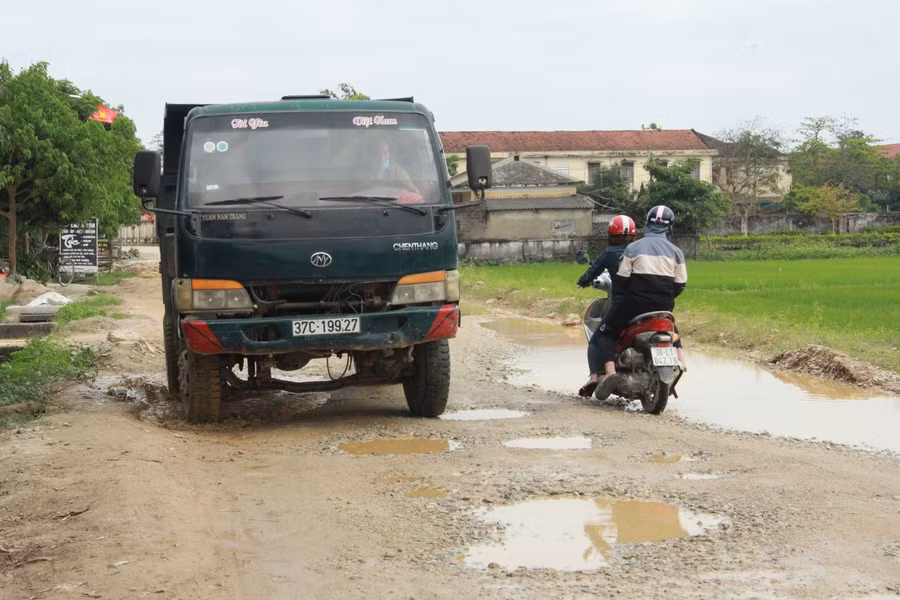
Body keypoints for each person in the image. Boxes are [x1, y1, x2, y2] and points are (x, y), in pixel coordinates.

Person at [578, 205, 687, 398]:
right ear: (670, 227)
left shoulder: (633, 248)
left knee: (606, 333)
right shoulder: (676, 252)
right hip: (664, 307)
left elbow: (621, 278)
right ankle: (680, 361)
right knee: (673, 331)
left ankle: (610, 373)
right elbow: (680, 284)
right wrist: (665, 298)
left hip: (633, 306)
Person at [576, 215, 636, 397]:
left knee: (600, 335)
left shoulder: (610, 253)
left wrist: (582, 281)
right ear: (633, 235)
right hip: (647, 302)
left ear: (611, 234)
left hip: (622, 305)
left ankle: (596, 376)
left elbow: (593, 271)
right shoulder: (639, 250)